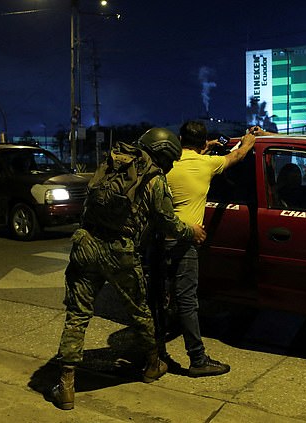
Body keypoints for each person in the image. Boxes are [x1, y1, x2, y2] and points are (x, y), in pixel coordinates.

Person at [51, 128, 207, 410]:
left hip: (85, 242)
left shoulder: (113, 162)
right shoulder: (154, 178)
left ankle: (66, 384)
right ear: (165, 154)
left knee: (77, 315)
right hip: (119, 250)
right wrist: (190, 231)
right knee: (139, 311)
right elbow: (167, 221)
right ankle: (152, 364)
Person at [159, 121, 256, 377]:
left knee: (158, 300)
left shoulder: (164, 164)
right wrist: (249, 138)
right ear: (203, 144)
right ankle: (197, 359)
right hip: (185, 241)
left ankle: (154, 357)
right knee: (187, 302)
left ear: (179, 139)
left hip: (158, 241)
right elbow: (238, 155)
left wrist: (205, 146)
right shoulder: (207, 165)